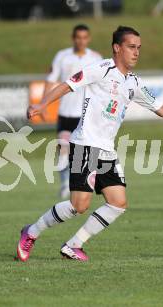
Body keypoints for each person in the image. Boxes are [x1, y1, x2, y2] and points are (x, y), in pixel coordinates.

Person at [17, 26, 163, 262]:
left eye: (139, 48)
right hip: (84, 145)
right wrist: (42, 104)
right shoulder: (102, 69)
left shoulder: (133, 82)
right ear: (117, 48)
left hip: (106, 150)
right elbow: (68, 84)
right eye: (131, 47)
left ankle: (73, 245)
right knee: (79, 205)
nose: (136, 52)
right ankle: (32, 231)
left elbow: (161, 108)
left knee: (118, 203)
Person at [44, 24, 102, 199]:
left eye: (85, 37)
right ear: (73, 38)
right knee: (63, 149)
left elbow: (101, 85)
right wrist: (44, 104)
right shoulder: (62, 56)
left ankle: (86, 182)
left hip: (86, 114)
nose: (81, 41)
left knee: (85, 151)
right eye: (78, 37)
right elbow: (51, 80)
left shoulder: (96, 58)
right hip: (66, 112)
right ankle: (64, 185)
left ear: (89, 38)